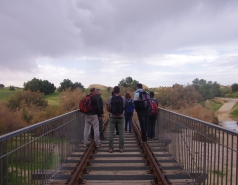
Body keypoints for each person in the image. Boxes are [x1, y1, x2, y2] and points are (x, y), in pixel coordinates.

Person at [107, 86, 125, 153]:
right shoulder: (122, 98)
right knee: (121, 133)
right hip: (120, 117)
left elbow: (108, 107)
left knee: (111, 132)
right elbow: (124, 106)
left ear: (113, 91)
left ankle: (110, 148)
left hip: (112, 117)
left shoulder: (110, 98)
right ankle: (121, 148)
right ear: (119, 91)